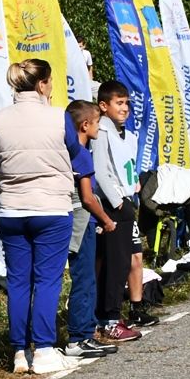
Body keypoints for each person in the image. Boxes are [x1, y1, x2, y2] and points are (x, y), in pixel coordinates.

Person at [0, 59, 88, 374]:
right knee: (48, 280)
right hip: (51, 208)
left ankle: (20, 353)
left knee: (18, 282)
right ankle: (45, 351)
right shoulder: (58, 117)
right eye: (50, 82)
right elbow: (79, 156)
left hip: (12, 210)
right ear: (42, 85)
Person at [63, 100, 120, 358]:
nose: (99, 127)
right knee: (84, 278)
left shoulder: (64, 152)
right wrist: (106, 219)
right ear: (85, 125)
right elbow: (87, 197)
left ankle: (86, 331)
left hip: (78, 221)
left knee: (85, 277)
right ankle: (79, 336)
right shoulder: (82, 154)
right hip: (82, 221)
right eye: (97, 122)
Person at [92, 80, 142, 342]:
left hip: (127, 199)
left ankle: (106, 316)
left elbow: (127, 166)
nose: (125, 108)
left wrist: (135, 186)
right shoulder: (101, 132)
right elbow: (99, 171)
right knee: (115, 264)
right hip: (113, 204)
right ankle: (109, 319)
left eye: (127, 104)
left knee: (121, 261)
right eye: (119, 103)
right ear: (103, 106)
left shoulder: (127, 134)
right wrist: (117, 201)